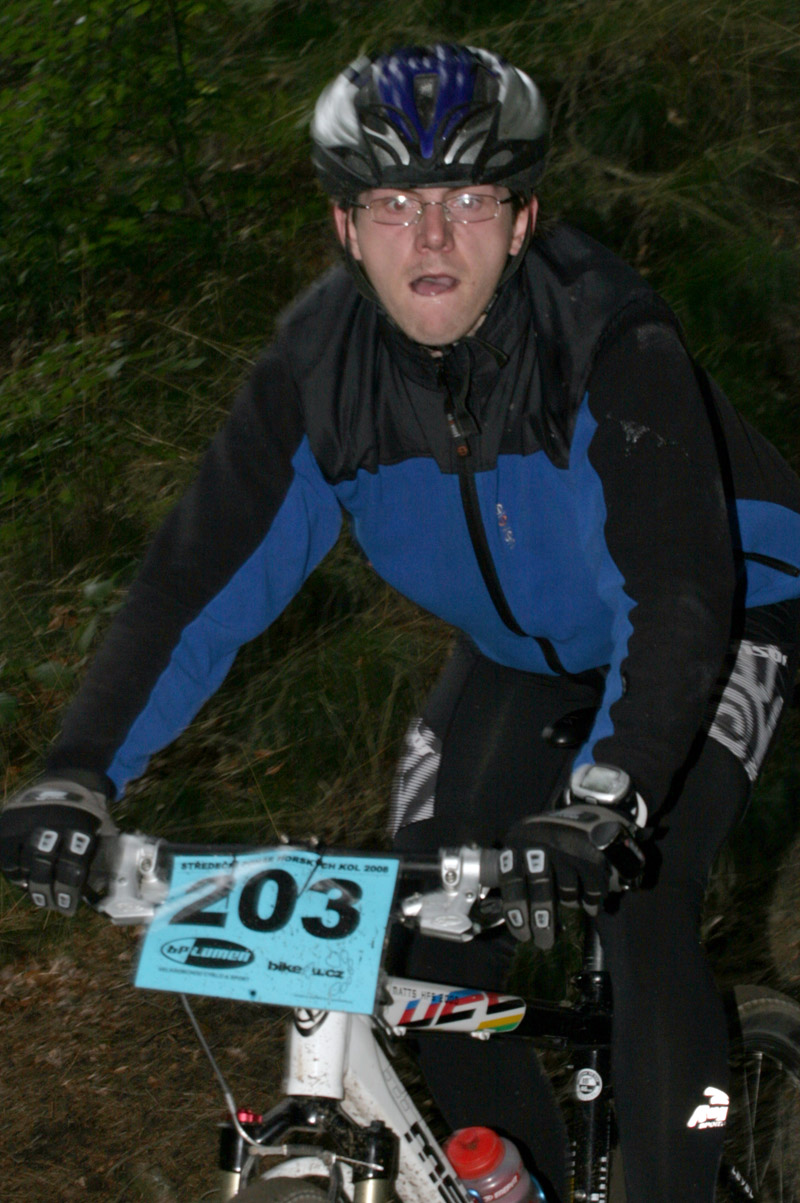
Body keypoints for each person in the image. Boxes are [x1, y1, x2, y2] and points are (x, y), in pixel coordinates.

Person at [1, 42, 799, 1203]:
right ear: (345, 226)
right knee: (428, 937)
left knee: (639, 889)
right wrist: (76, 775)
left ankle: (678, 1170)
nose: (429, 237)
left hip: (726, 611)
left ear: (521, 221)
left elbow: (673, 589)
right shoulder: (316, 375)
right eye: (391, 204)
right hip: (514, 654)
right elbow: (189, 590)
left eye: (467, 199)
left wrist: (605, 797)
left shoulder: (608, 339)